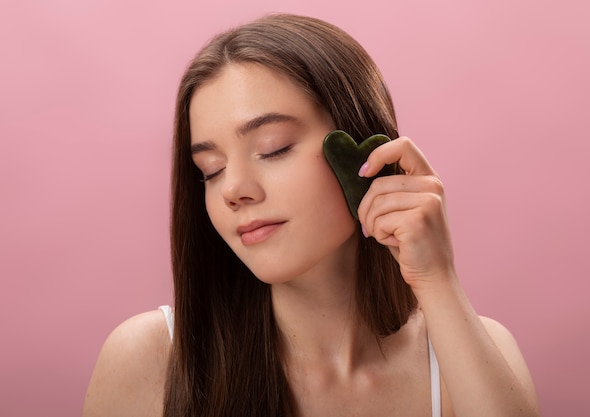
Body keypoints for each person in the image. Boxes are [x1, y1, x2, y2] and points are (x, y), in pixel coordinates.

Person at [83, 13, 541, 417]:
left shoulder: (474, 354)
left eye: (273, 148)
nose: (234, 191)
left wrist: (437, 279)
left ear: (363, 149)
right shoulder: (149, 359)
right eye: (211, 170)